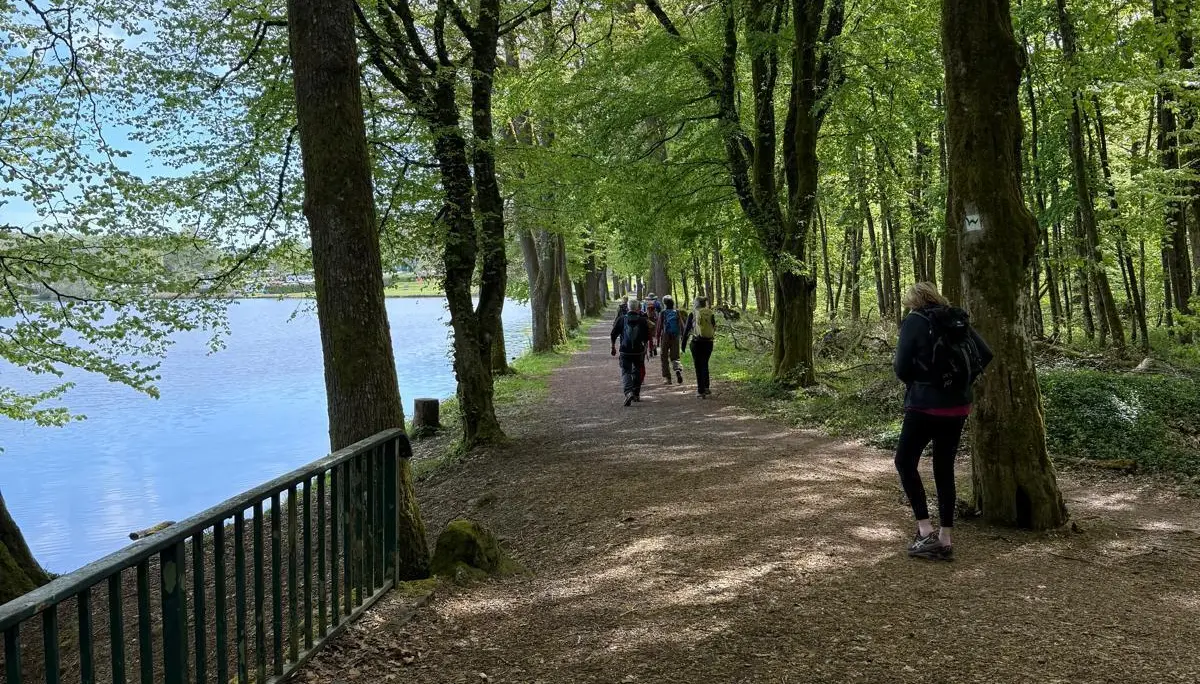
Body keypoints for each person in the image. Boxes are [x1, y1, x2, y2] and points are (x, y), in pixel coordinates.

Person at [893, 282, 993, 561]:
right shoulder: (954, 318)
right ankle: (945, 539)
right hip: (958, 407)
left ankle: (925, 531)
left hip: (924, 406)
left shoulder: (914, 320)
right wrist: (961, 385)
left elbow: (901, 367)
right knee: (944, 469)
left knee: (904, 461)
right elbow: (986, 354)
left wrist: (922, 383)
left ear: (913, 300)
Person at [611, 298, 650, 406]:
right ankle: (636, 394)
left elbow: (613, 334)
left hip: (625, 350)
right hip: (638, 351)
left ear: (628, 307)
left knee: (626, 371)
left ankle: (628, 392)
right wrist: (645, 348)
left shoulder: (622, 319)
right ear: (638, 308)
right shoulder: (642, 320)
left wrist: (613, 346)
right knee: (637, 370)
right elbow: (647, 336)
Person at [681, 296, 717, 398]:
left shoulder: (693, 314)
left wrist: (683, 345)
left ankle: (700, 391)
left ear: (696, 303)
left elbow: (686, 330)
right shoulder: (710, 313)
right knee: (705, 363)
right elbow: (714, 327)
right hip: (708, 342)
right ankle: (706, 387)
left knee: (698, 366)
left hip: (696, 343)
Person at [656, 295, 685, 385]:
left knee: (664, 357)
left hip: (665, 336)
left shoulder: (663, 313)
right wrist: (682, 336)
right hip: (675, 337)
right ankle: (677, 371)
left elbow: (659, 326)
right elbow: (682, 325)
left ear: (665, 304)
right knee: (675, 356)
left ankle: (668, 378)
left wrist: (657, 338)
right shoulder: (676, 312)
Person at [644, 293, 660, 357]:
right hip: (655, 320)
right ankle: (654, 348)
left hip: (647, 320)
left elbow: (643, 311)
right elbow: (660, 310)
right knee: (654, 335)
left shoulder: (645, 303)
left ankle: (650, 350)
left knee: (649, 335)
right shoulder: (657, 303)